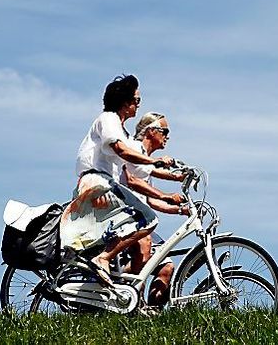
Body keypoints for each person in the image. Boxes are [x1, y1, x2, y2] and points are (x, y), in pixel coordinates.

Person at [66, 74, 174, 284]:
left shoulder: (120, 129)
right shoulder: (108, 119)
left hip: (104, 185)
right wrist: (154, 162)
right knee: (148, 219)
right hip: (97, 184)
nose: (138, 105)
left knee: (131, 232)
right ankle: (103, 259)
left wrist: (173, 175)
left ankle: (117, 285)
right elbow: (121, 151)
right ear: (125, 102)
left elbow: (129, 171)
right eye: (137, 100)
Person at [119, 111, 189, 307]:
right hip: (127, 218)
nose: (167, 136)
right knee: (144, 252)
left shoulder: (145, 159)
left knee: (166, 267)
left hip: (141, 217)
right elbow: (133, 182)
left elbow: (149, 200)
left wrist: (180, 210)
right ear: (151, 131)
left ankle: (151, 315)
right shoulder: (134, 149)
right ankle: (131, 302)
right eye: (164, 131)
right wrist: (167, 193)